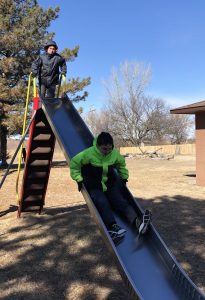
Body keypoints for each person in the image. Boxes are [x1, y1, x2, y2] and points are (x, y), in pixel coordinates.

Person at [70, 132, 151, 243]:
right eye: (104, 149)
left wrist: (124, 177)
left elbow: (121, 164)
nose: (107, 151)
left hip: (109, 183)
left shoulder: (114, 153)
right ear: (97, 146)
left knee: (119, 200)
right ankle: (112, 227)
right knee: (102, 202)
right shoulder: (88, 154)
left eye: (109, 149)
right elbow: (74, 163)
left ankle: (137, 222)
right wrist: (79, 179)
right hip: (94, 184)